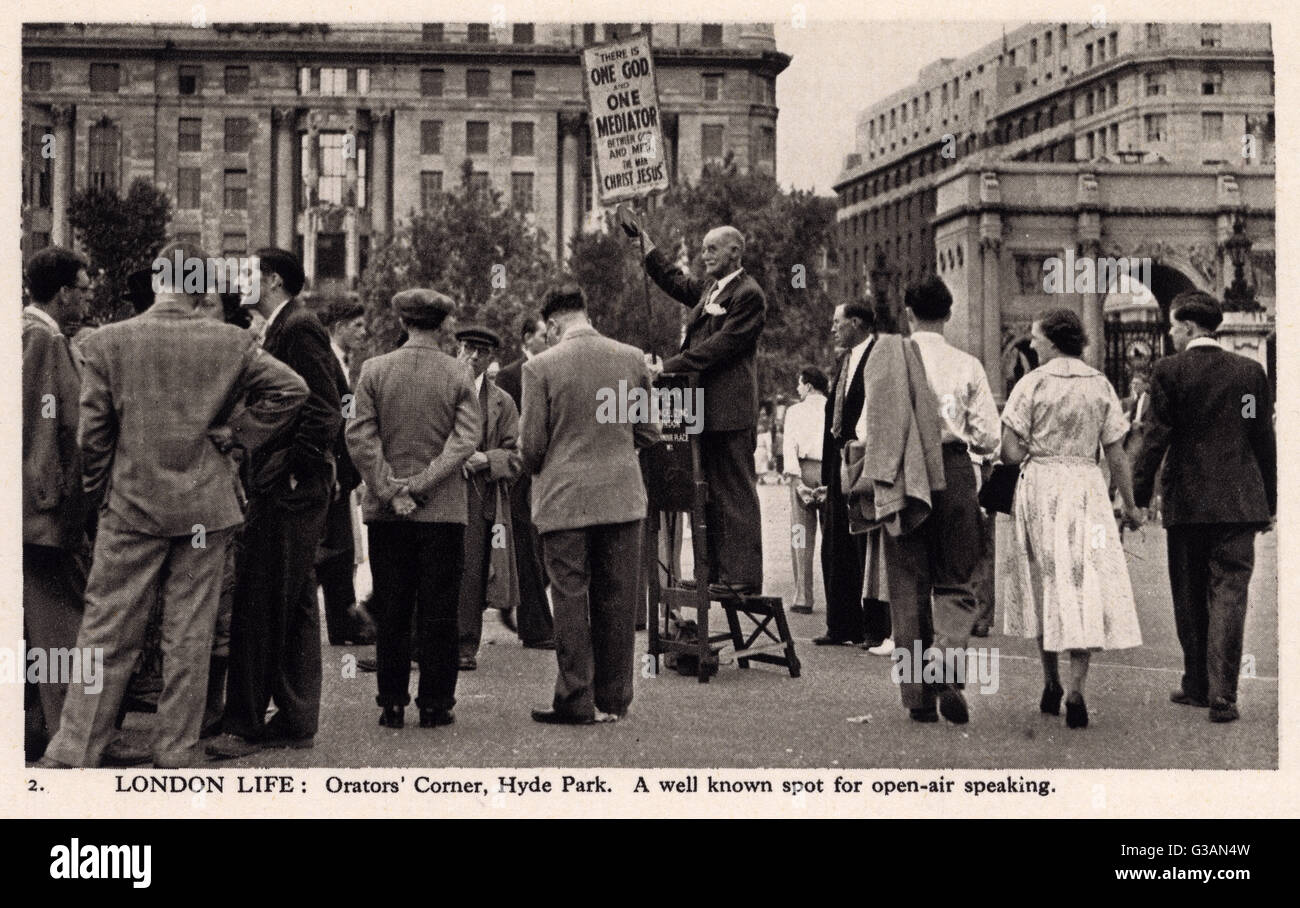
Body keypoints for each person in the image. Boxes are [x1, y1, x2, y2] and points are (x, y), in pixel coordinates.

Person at [38, 241, 309, 768]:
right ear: (202, 287)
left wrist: (97, 494)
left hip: (132, 505)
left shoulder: (109, 343)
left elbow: (93, 438)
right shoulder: (232, 342)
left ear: (159, 280)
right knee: (190, 633)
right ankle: (177, 748)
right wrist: (238, 435)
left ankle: (76, 748)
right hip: (206, 509)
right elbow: (292, 391)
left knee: (107, 629)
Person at [209, 247, 343, 759]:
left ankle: (244, 725)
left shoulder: (298, 327)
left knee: (261, 604)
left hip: (288, 491)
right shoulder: (285, 326)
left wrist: (294, 472)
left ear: (270, 280)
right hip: (293, 489)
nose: (238, 280)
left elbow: (325, 409)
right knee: (295, 603)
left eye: (246, 272)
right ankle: (294, 717)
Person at [1133, 291, 1276, 723]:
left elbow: (1157, 435)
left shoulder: (1170, 373)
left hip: (1189, 502)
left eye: (1174, 326)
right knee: (1231, 594)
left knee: (1190, 594)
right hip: (1239, 502)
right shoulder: (1249, 374)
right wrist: (1269, 500)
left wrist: (1138, 494)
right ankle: (1224, 694)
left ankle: (1196, 683)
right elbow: (1259, 435)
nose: (1171, 333)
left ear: (1190, 328)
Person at [521, 284, 660, 724]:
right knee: (617, 600)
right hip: (621, 498)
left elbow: (532, 448)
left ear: (553, 323)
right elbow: (649, 432)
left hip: (564, 501)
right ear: (586, 312)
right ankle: (614, 699)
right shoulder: (630, 357)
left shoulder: (540, 368)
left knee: (569, 597)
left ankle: (576, 699)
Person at [999, 308, 1144, 730]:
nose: (1032, 344)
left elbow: (1009, 451)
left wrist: (1031, 450)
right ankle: (1078, 688)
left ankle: (1051, 683)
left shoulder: (1032, 383)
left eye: (1036, 338)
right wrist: (1130, 506)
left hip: (1042, 485)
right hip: (1086, 487)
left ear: (1052, 340)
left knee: (1048, 583)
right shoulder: (1100, 384)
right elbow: (1116, 452)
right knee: (1084, 584)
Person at [345, 289, 480, 729]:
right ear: (442, 325)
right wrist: (422, 486)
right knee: (441, 610)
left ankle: (391, 702)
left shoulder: (374, 371)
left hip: (387, 515)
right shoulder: (458, 376)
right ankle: (436, 704)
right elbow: (464, 442)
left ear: (404, 323)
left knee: (393, 608)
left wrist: (390, 489)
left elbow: (359, 437)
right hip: (442, 513)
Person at [873, 276, 1000, 724]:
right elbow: (988, 435)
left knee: (907, 587)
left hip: (902, 475)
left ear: (908, 313)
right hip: (954, 470)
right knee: (957, 578)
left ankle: (918, 699)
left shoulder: (886, 360)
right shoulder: (967, 364)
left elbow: (865, 431)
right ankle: (946, 661)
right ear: (948, 315)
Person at [620, 208, 765, 596]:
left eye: (713, 249)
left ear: (736, 252)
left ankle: (744, 576)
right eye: (703, 249)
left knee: (735, 491)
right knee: (712, 493)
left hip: (731, 412)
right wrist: (645, 245)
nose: (705, 255)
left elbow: (721, 347)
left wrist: (666, 368)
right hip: (706, 411)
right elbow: (674, 281)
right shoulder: (711, 291)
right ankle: (717, 572)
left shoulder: (748, 294)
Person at [22, 247, 100, 761]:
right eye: (84, 285)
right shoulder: (45, 340)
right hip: (45, 514)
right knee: (64, 628)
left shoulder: (27, 332)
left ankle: (43, 731)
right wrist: (55, 498)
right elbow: (47, 427)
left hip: (30, 511)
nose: (90, 294)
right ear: (63, 293)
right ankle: (71, 738)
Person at [816, 303, 891, 651]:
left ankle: (874, 626)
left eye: (837, 322)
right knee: (835, 541)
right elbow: (834, 412)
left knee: (868, 541)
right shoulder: (844, 361)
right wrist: (828, 472)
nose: (832, 328)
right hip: (839, 460)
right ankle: (841, 623)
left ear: (856, 323)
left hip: (865, 456)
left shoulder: (878, 355)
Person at [454, 325, 524, 671]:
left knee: (472, 572)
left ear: (491, 358)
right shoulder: (443, 389)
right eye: (467, 348)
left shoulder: (503, 402)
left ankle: (465, 646)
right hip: (440, 491)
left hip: (480, 498)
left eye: (481, 351)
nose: (472, 356)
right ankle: (419, 643)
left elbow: (517, 455)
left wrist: (487, 459)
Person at [489, 313, 556, 650]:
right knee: (529, 549)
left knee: (540, 550)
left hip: (539, 475)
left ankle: (514, 605)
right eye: (545, 334)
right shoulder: (510, 374)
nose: (550, 339)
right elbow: (504, 422)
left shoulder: (550, 369)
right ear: (527, 338)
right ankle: (536, 626)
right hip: (518, 478)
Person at [317, 298, 374, 647]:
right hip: (332, 469)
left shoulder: (341, 362)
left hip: (340, 470)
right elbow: (335, 420)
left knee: (341, 548)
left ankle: (344, 622)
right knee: (335, 549)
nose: (363, 331)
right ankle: (342, 623)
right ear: (338, 327)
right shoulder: (327, 361)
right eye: (357, 325)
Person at [782, 366, 829, 614]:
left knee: (800, 536)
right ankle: (837, 599)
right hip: (829, 473)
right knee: (831, 538)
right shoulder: (832, 408)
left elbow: (789, 447)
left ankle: (803, 597)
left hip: (803, 471)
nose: (797, 389)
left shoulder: (795, 411)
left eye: (800, 384)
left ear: (809, 385)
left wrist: (796, 482)